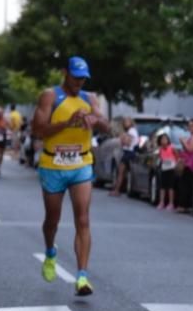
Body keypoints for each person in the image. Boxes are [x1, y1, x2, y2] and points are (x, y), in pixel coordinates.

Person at [33, 56, 109, 295]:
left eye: (83, 78)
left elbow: (107, 126)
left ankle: (82, 276)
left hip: (81, 163)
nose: (79, 82)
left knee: (83, 219)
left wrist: (97, 120)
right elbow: (37, 130)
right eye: (76, 77)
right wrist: (67, 122)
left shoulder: (90, 98)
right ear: (65, 73)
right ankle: (50, 252)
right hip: (53, 164)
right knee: (52, 220)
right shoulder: (50, 96)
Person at [109, 117, 139, 196]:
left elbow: (127, 143)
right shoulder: (131, 131)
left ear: (131, 122)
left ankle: (117, 190)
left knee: (121, 172)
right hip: (128, 152)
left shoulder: (131, 131)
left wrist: (123, 138)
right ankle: (119, 189)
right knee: (123, 172)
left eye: (127, 121)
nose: (125, 123)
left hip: (129, 152)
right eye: (124, 122)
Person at [156, 133, 178, 210]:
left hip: (171, 169)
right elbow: (160, 158)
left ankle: (171, 203)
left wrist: (176, 163)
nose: (164, 140)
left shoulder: (171, 148)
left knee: (170, 187)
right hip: (164, 168)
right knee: (163, 186)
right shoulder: (160, 149)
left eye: (165, 139)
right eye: (162, 139)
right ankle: (161, 202)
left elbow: (177, 155)